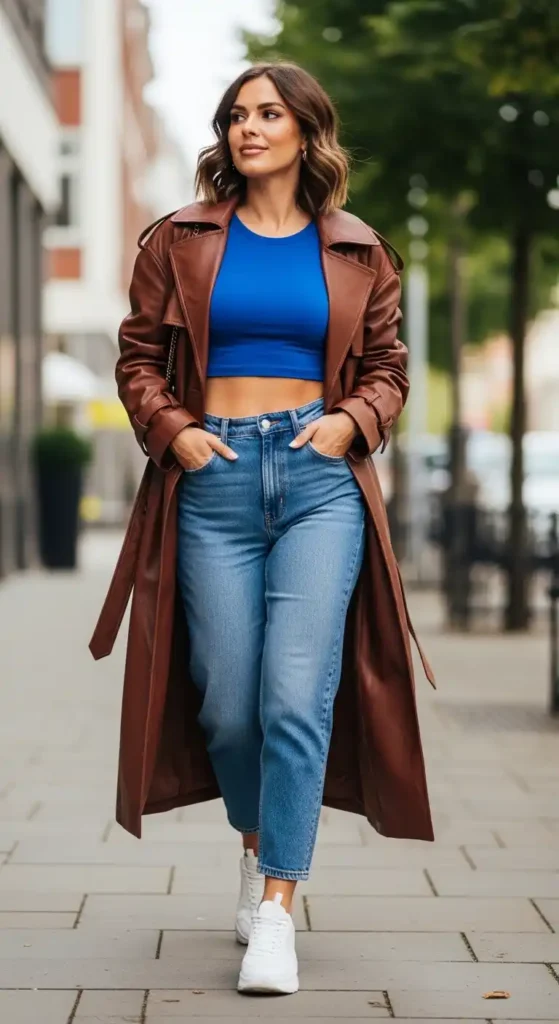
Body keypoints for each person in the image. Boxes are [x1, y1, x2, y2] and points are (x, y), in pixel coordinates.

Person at [90, 60, 435, 997]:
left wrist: (347, 424)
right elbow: (137, 359)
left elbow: (388, 369)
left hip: (321, 482)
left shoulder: (357, 248)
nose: (249, 128)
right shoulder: (181, 238)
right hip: (217, 481)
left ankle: (277, 908)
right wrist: (178, 435)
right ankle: (256, 846)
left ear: (304, 132)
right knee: (228, 703)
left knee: (294, 696)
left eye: (269, 113)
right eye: (237, 115)